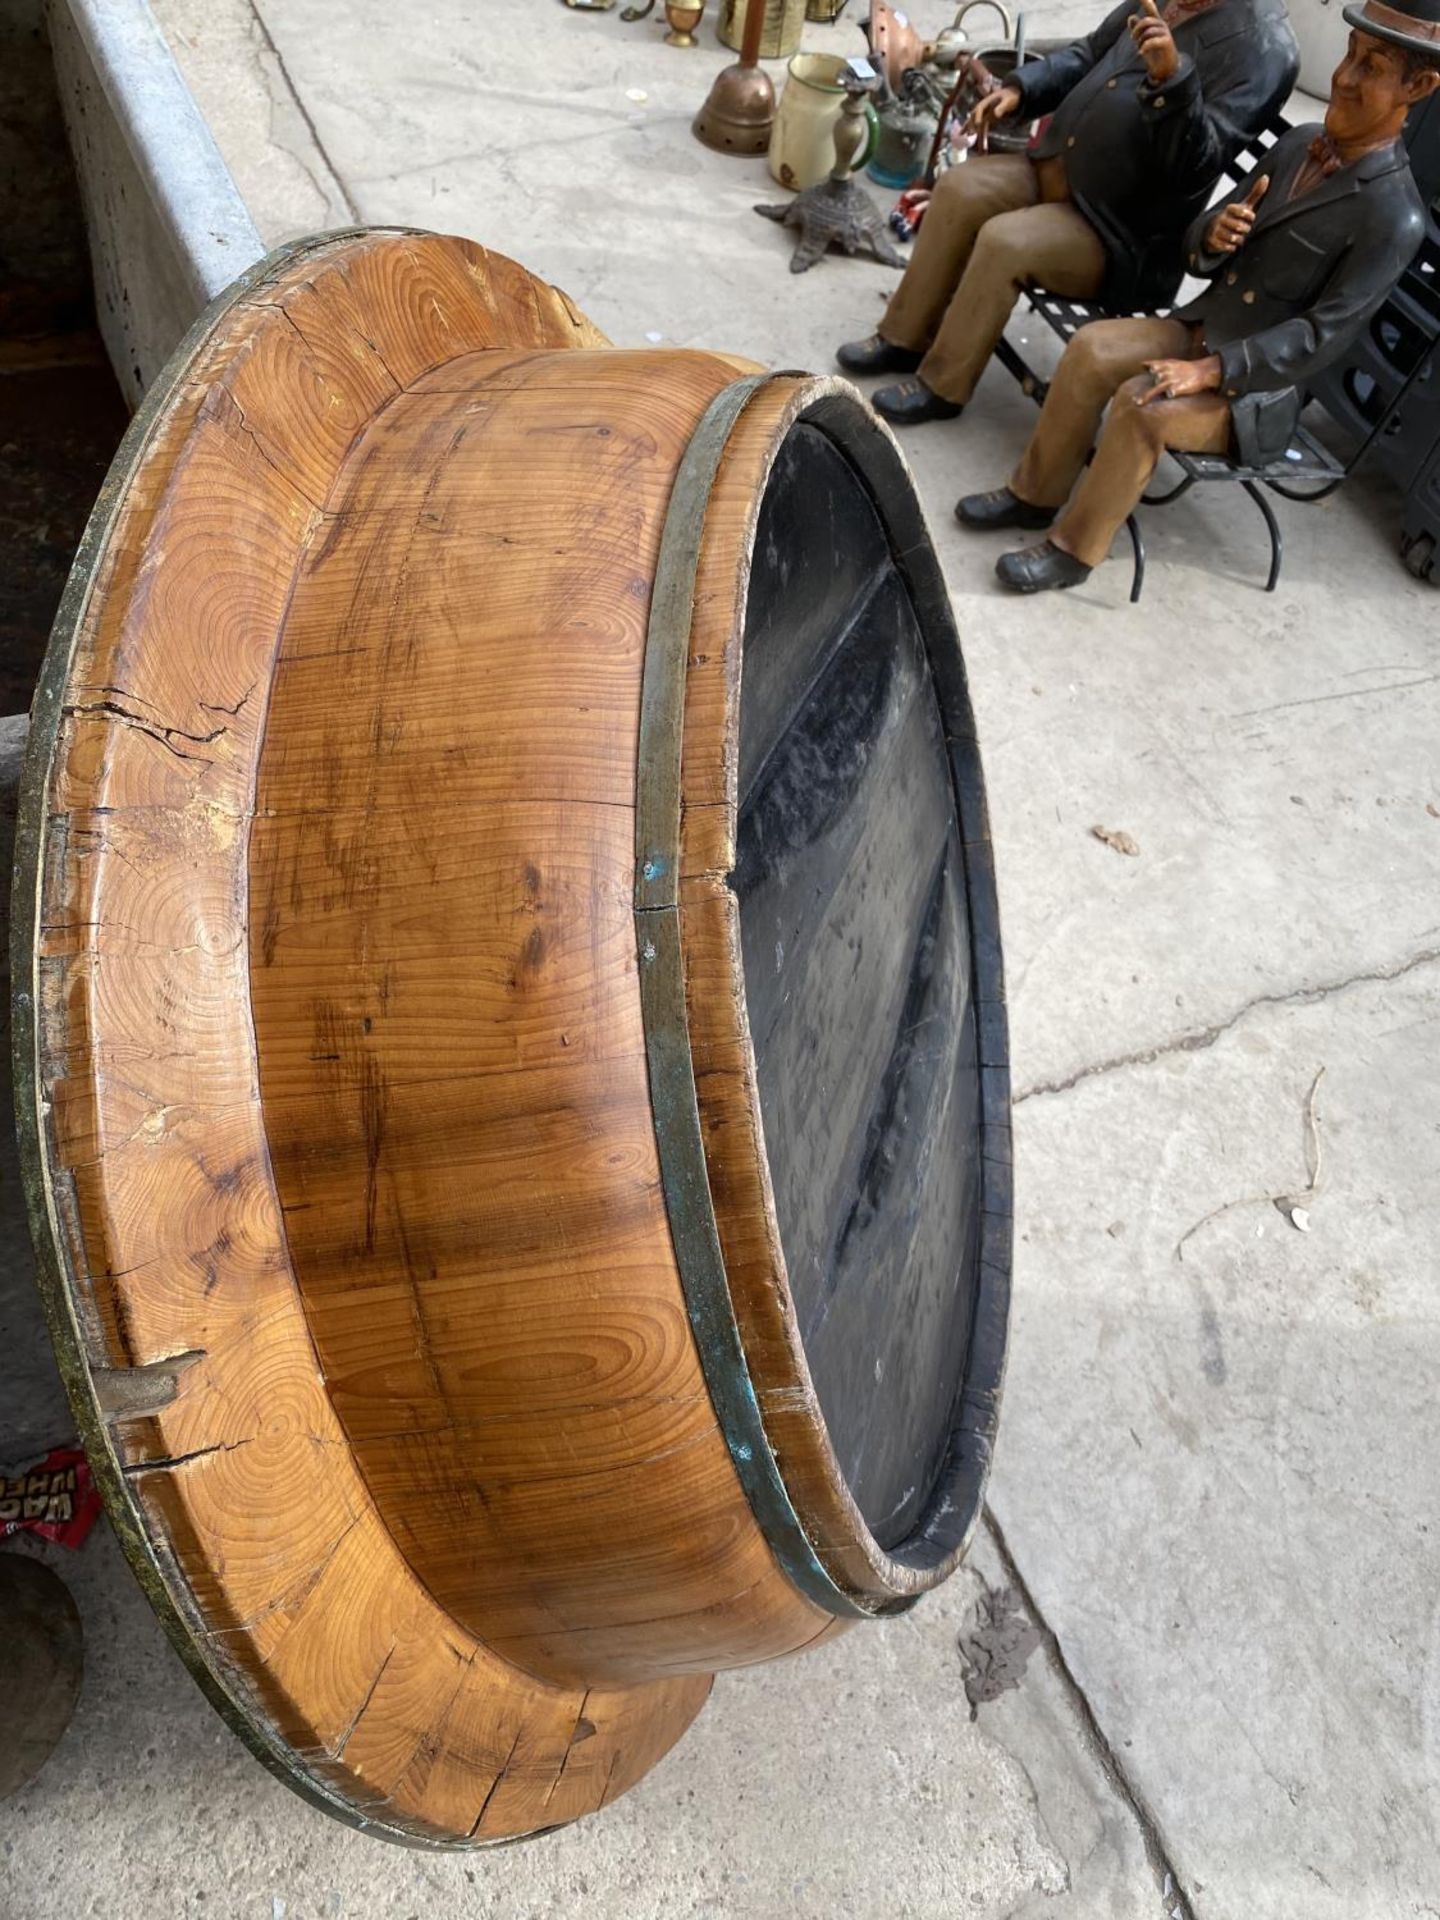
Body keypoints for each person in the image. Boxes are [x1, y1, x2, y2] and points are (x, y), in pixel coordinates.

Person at [956, 0, 1439, 594]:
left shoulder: (1396, 216)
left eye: (1373, 67)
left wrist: (1210, 372)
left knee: (1143, 402)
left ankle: (1074, 550)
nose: (1344, 77)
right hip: (1203, 326)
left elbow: (1319, 339)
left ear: (1419, 86)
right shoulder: (1302, 144)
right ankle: (1033, 494)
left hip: (1254, 390)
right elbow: (1198, 242)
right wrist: (1212, 237)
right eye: (1349, 56)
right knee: (1092, 349)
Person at [835, 0, 1300, 426]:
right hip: (1061, 167)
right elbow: (1090, 53)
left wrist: (1173, 82)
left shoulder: (1265, 48)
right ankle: (903, 337)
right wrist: (1021, 90)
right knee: (959, 188)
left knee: (1006, 241)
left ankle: (942, 385)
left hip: (1119, 228)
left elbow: (1196, 166)